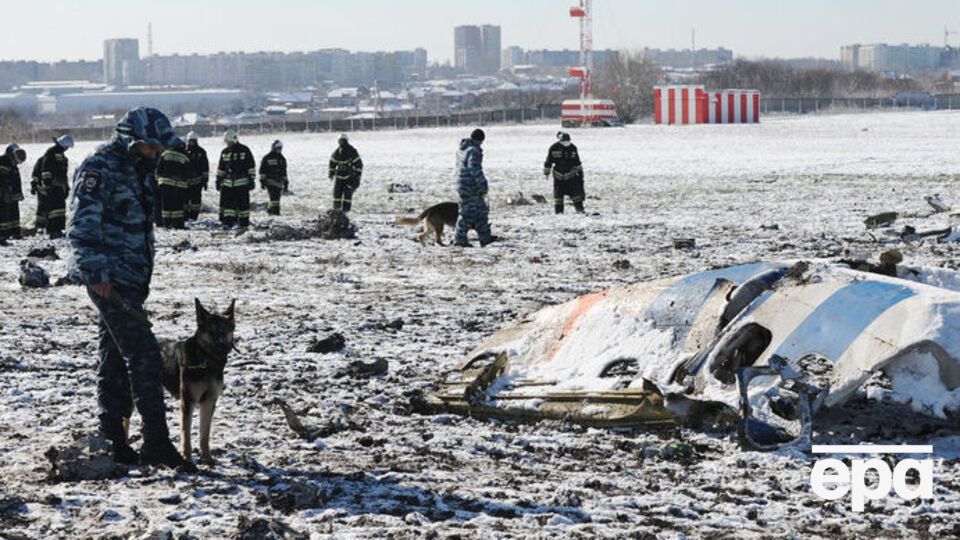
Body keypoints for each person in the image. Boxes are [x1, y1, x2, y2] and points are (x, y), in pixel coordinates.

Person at [67, 107, 196, 472]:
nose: (155, 153)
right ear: (131, 140)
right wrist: (96, 273)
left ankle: (113, 439)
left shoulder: (137, 169)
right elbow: (81, 226)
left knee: (113, 358)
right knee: (144, 355)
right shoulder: (101, 167)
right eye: (150, 146)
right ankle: (155, 442)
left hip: (131, 279)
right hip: (109, 279)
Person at [454, 129, 498, 247]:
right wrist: (483, 184)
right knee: (467, 214)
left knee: (481, 211)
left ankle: (485, 237)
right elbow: (474, 168)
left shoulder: (462, 149)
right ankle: (459, 239)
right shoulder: (473, 151)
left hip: (463, 185)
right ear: (480, 140)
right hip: (470, 187)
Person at [216, 129, 255, 228]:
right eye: (226, 142)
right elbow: (221, 168)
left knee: (243, 206)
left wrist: (251, 179)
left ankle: (244, 224)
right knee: (229, 207)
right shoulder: (224, 152)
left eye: (228, 142)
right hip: (228, 184)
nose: (227, 144)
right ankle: (228, 224)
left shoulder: (245, 150)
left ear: (233, 140)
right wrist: (218, 180)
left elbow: (251, 166)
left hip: (242, 184)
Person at [39, 135, 74, 238]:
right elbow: (45, 168)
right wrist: (48, 182)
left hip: (60, 186)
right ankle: (52, 230)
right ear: (64, 145)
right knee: (53, 209)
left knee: (60, 209)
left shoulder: (61, 155)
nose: (67, 149)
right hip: (53, 186)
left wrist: (66, 186)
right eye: (67, 147)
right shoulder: (51, 153)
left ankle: (58, 229)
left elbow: (63, 173)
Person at [543, 132, 585, 214]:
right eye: (564, 142)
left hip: (571, 176)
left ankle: (579, 209)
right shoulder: (553, 148)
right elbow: (548, 161)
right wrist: (546, 173)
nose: (566, 144)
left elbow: (577, 162)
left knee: (576, 194)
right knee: (558, 195)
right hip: (558, 176)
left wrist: (580, 173)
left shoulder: (573, 148)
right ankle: (559, 212)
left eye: (568, 142)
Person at [156, 141, 191, 229]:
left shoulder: (165, 154)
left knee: (165, 204)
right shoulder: (184, 157)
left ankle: (166, 223)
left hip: (165, 183)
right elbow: (188, 173)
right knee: (177, 205)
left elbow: (158, 169)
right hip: (179, 185)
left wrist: (158, 180)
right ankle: (177, 224)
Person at [328, 133, 362, 212]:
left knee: (347, 195)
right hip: (339, 177)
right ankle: (336, 210)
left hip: (349, 177)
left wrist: (357, 175)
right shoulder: (337, 152)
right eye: (340, 141)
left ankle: (346, 211)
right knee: (337, 194)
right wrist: (331, 173)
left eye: (342, 141)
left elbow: (359, 164)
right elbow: (332, 163)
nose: (341, 143)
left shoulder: (352, 151)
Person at [0, 144, 27, 241]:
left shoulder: (11, 163)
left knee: (14, 213)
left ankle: (15, 232)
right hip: (4, 194)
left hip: (12, 194)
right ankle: (3, 235)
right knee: (4, 214)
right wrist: (8, 190)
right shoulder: (3, 161)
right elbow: (3, 178)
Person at [184, 132, 209, 221]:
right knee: (185, 199)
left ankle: (194, 216)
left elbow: (205, 167)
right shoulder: (184, 151)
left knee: (196, 200)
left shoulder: (201, 152)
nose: (190, 143)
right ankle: (185, 215)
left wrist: (205, 180)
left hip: (197, 181)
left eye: (192, 141)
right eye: (189, 141)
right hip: (185, 181)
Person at [259, 140, 288, 215]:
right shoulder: (267, 158)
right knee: (274, 198)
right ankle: (276, 212)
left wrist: (286, 182)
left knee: (276, 198)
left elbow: (284, 171)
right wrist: (262, 181)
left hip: (279, 182)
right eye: (278, 148)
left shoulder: (282, 159)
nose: (279, 150)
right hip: (270, 181)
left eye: (280, 148)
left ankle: (270, 210)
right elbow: (262, 170)